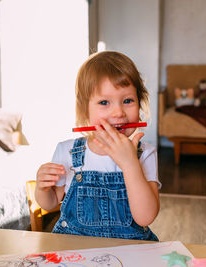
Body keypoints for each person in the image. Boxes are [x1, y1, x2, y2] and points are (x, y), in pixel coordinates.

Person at [35, 51, 160, 241]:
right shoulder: (67, 152)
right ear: (85, 109)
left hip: (130, 250)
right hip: (75, 250)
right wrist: (42, 189)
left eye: (128, 101)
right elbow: (51, 203)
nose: (118, 112)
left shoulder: (145, 154)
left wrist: (130, 164)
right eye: (104, 102)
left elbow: (145, 218)